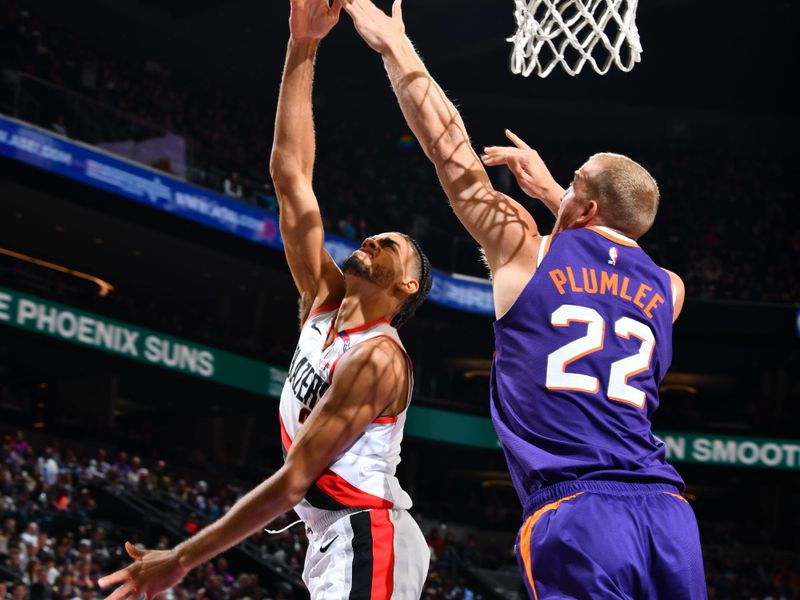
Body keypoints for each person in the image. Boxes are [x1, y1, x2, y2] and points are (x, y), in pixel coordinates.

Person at [341, 1, 706, 598]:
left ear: (582, 207)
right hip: (669, 516)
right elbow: (611, 249)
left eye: (574, 184)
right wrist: (564, 196)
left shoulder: (525, 253)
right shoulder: (670, 289)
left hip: (578, 513)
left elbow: (448, 149)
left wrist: (395, 49)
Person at [98, 1, 432, 599]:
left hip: (369, 535)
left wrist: (180, 557)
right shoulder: (322, 300)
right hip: (331, 539)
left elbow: (295, 479)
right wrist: (302, 46)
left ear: (405, 288)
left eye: (394, 246)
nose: (375, 239)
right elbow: (290, 175)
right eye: (378, 234)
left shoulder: (378, 359)